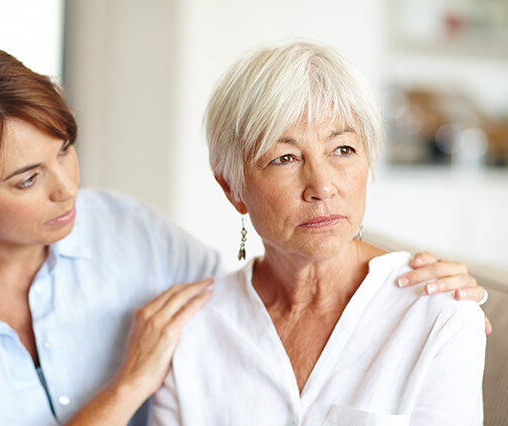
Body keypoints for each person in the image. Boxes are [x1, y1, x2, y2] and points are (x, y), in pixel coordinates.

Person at [0, 48, 487, 426]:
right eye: (27, 180)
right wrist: (129, 383)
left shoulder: (131, 233)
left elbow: (269, 277)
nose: (67, 188)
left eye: (66, 150)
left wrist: (424, 282)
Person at [150, 41, 486, 425]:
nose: (322, 185)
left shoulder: (437, 312)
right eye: (285, 158)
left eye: (342, 150)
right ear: (232, 188)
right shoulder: (193, 329)